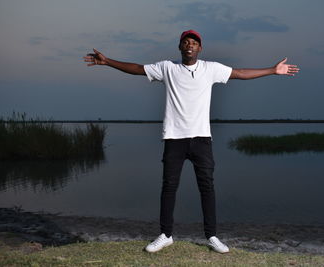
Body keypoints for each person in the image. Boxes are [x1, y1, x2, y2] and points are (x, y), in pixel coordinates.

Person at [83, 29, 299, 254]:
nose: (189, 45)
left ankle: (212, 236)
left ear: (200, 48)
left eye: (194, 43)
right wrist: (107, 61)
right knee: (169, 187)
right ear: (180, 47)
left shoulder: (211, 69)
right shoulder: (168, 68)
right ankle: (165, 235)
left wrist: (273, 70)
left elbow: (241, 73)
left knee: (207, 187)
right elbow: (137, 69)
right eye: (185, 42)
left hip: (201, 139)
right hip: (174, 138)